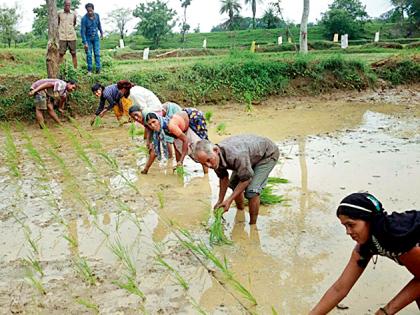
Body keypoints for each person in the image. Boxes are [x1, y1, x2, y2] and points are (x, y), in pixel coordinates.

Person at [310, 192, 420, 315]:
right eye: (345, 226)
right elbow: (339, 289)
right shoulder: (365, 245)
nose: (348, 232)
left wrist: (386, 311)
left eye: (351, 225)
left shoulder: (397, 236)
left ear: (369, 220)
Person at [192, 134, 279, 224]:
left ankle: (253, 225)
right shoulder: (214, 158)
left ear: (216, 150)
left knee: (252, 191)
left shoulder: (236, 155)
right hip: (249, 156)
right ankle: (240, 211)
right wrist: (220, 201)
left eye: (209, 160)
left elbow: (246, 180)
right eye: (204, 164)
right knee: (233, 184)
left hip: (267, 155)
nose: (209, 166)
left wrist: (229, 200)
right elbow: (223, 178)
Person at [129, 104, 181, 174]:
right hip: (165, 112)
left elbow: (152, 130)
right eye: (133, 117)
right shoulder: (146, 119)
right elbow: (148, 128)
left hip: (172, 109)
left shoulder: (148, 115)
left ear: (141, 111)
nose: (136, 118)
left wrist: (146, 169)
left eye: (136, 114)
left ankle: (171, 160)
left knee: (169, 139)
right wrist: (148, 141)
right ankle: (173, 160)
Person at [80, 3, 103, 75]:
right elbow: (83, 31)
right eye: (88, 11)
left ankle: (98, 70)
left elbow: (99, 25)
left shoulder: (97, 16)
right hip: (88, 38)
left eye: (91, 11)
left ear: (93, 9)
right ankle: (89, 70)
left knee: (97, 53)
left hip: (96, 37)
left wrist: (101, 33)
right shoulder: (84, 19)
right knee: (89, 54)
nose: (90, 12)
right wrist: (85, 42)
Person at [58, 0, 77, 69]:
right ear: (64, 5)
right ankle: (60, 69)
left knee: (73, 54)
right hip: (62, 37)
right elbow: (57, 23)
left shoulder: (74, 14)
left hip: (72, 37)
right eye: (66, 5)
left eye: (69, 5)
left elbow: (74, 24)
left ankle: (75, 69)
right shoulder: (59, 13)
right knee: (61, 54)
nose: (68, 6)